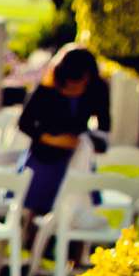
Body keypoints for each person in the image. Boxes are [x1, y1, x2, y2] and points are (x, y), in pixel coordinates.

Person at [15, 45, 109, 217]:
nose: (74, 88)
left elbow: (104, 126)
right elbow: (24, 123)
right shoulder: (47, 86)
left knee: (77, 205)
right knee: (37, 205)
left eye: (79, 83)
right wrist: (51, 138)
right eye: (70, 84)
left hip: (76, 156)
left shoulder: (97, 89)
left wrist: (90, 141)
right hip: (44, 154)